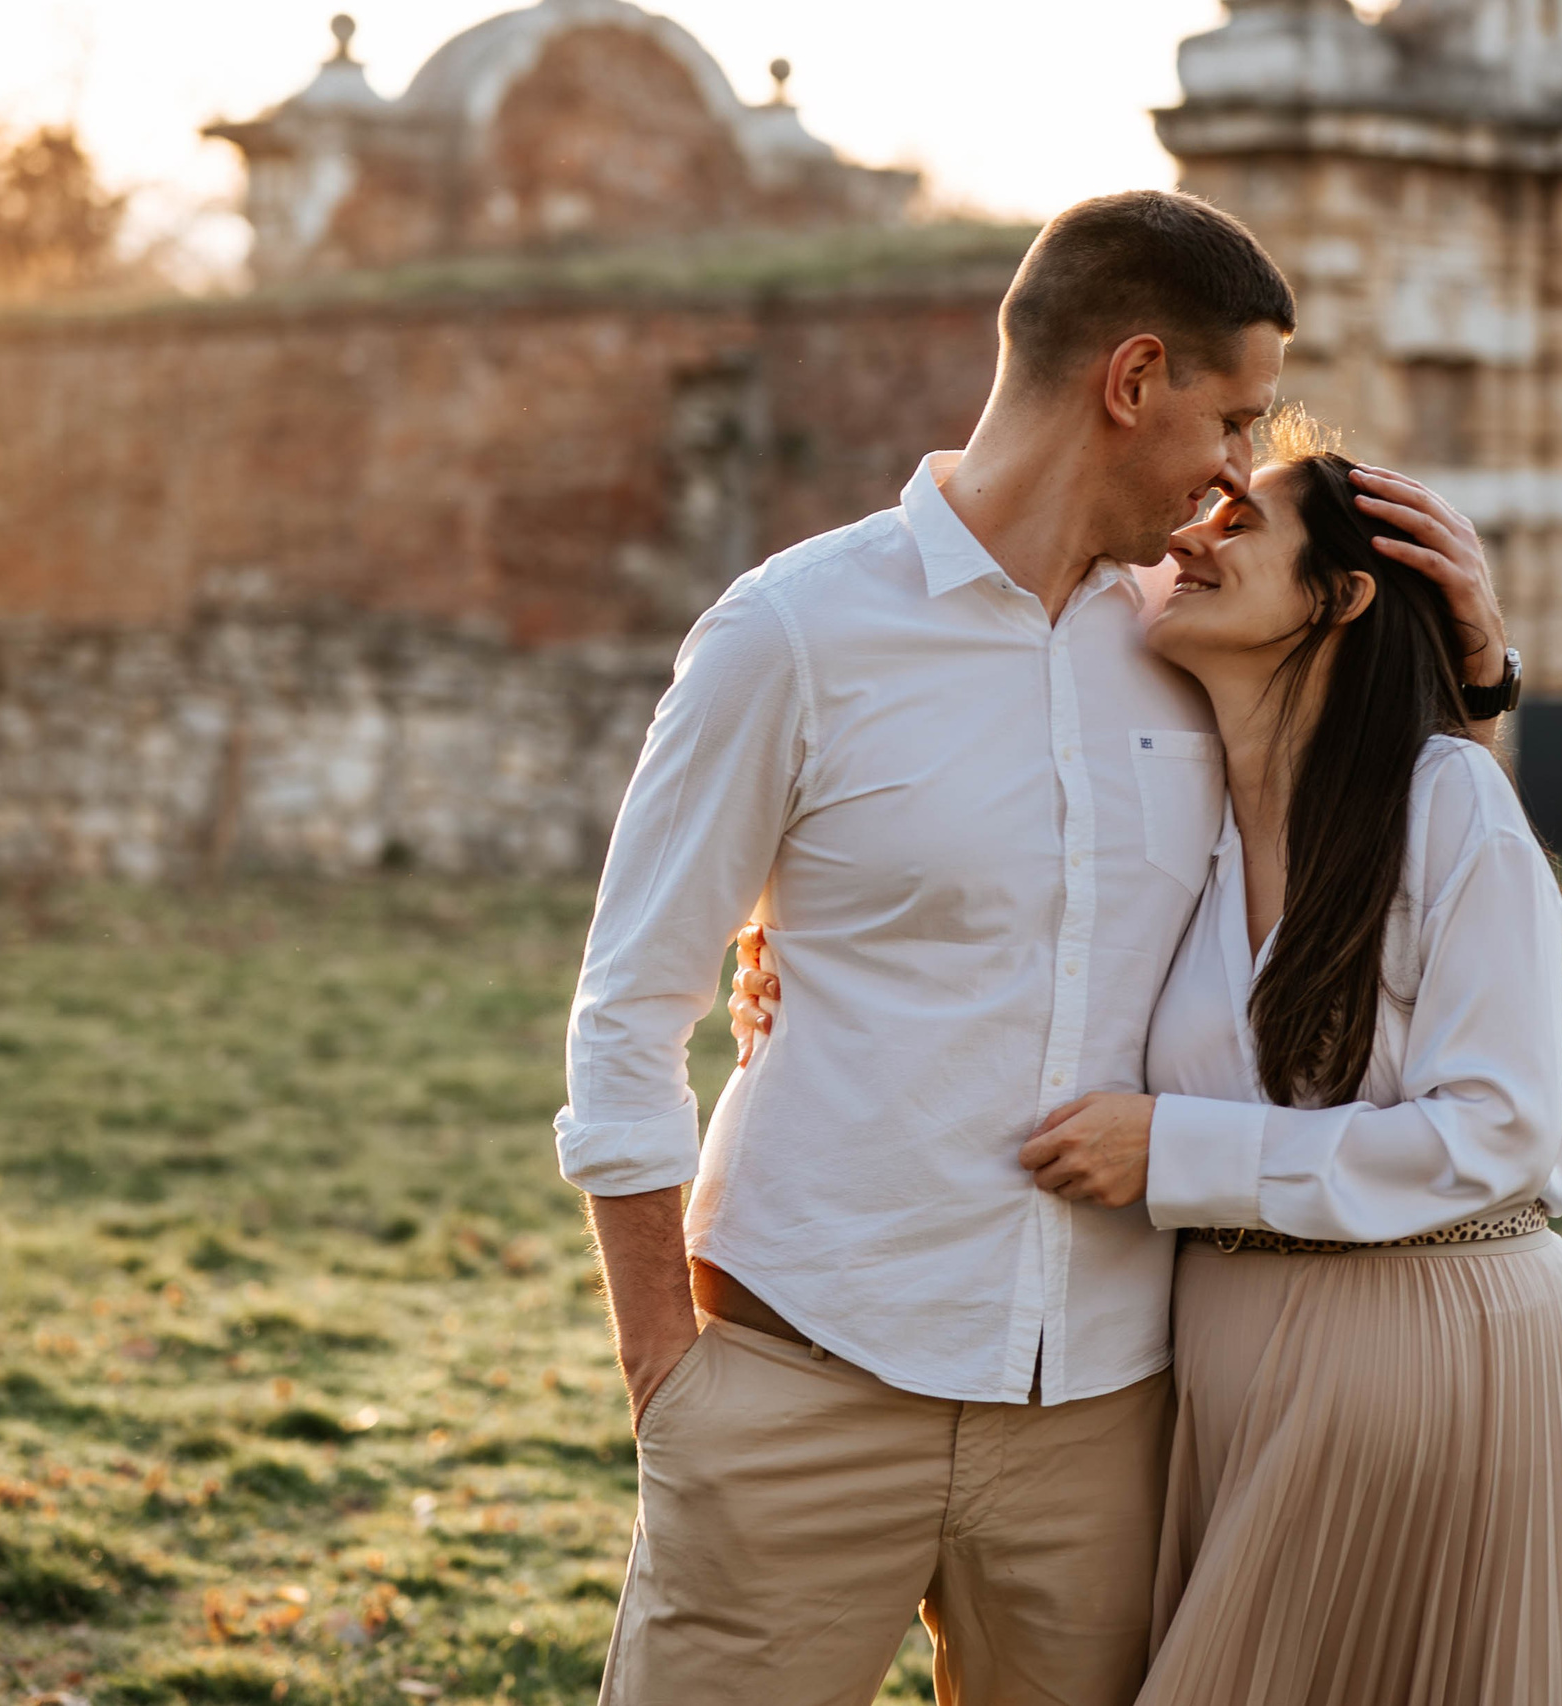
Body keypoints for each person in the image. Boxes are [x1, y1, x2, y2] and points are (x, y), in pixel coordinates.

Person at [554, 190, 1511, 1706]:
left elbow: (1404, 836)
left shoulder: (1197, 638)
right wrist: (671, 1380)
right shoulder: (791, 634)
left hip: (1104, 1415)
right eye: (1236, 419)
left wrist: (1481, 661)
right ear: (1134, 382)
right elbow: (624, 1013)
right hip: (804, 1376)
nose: (1241, 472)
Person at [747, 410, 1562, 1702]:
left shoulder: (1447, 803)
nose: (1194, 533)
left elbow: (1499, 1133)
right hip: (1228, 1386)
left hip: (1449, 1370)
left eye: (1242, 522)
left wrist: (1173, 1147)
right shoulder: (1182, 802)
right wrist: (793, 931)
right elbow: (969, 737)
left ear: (1337, 597)